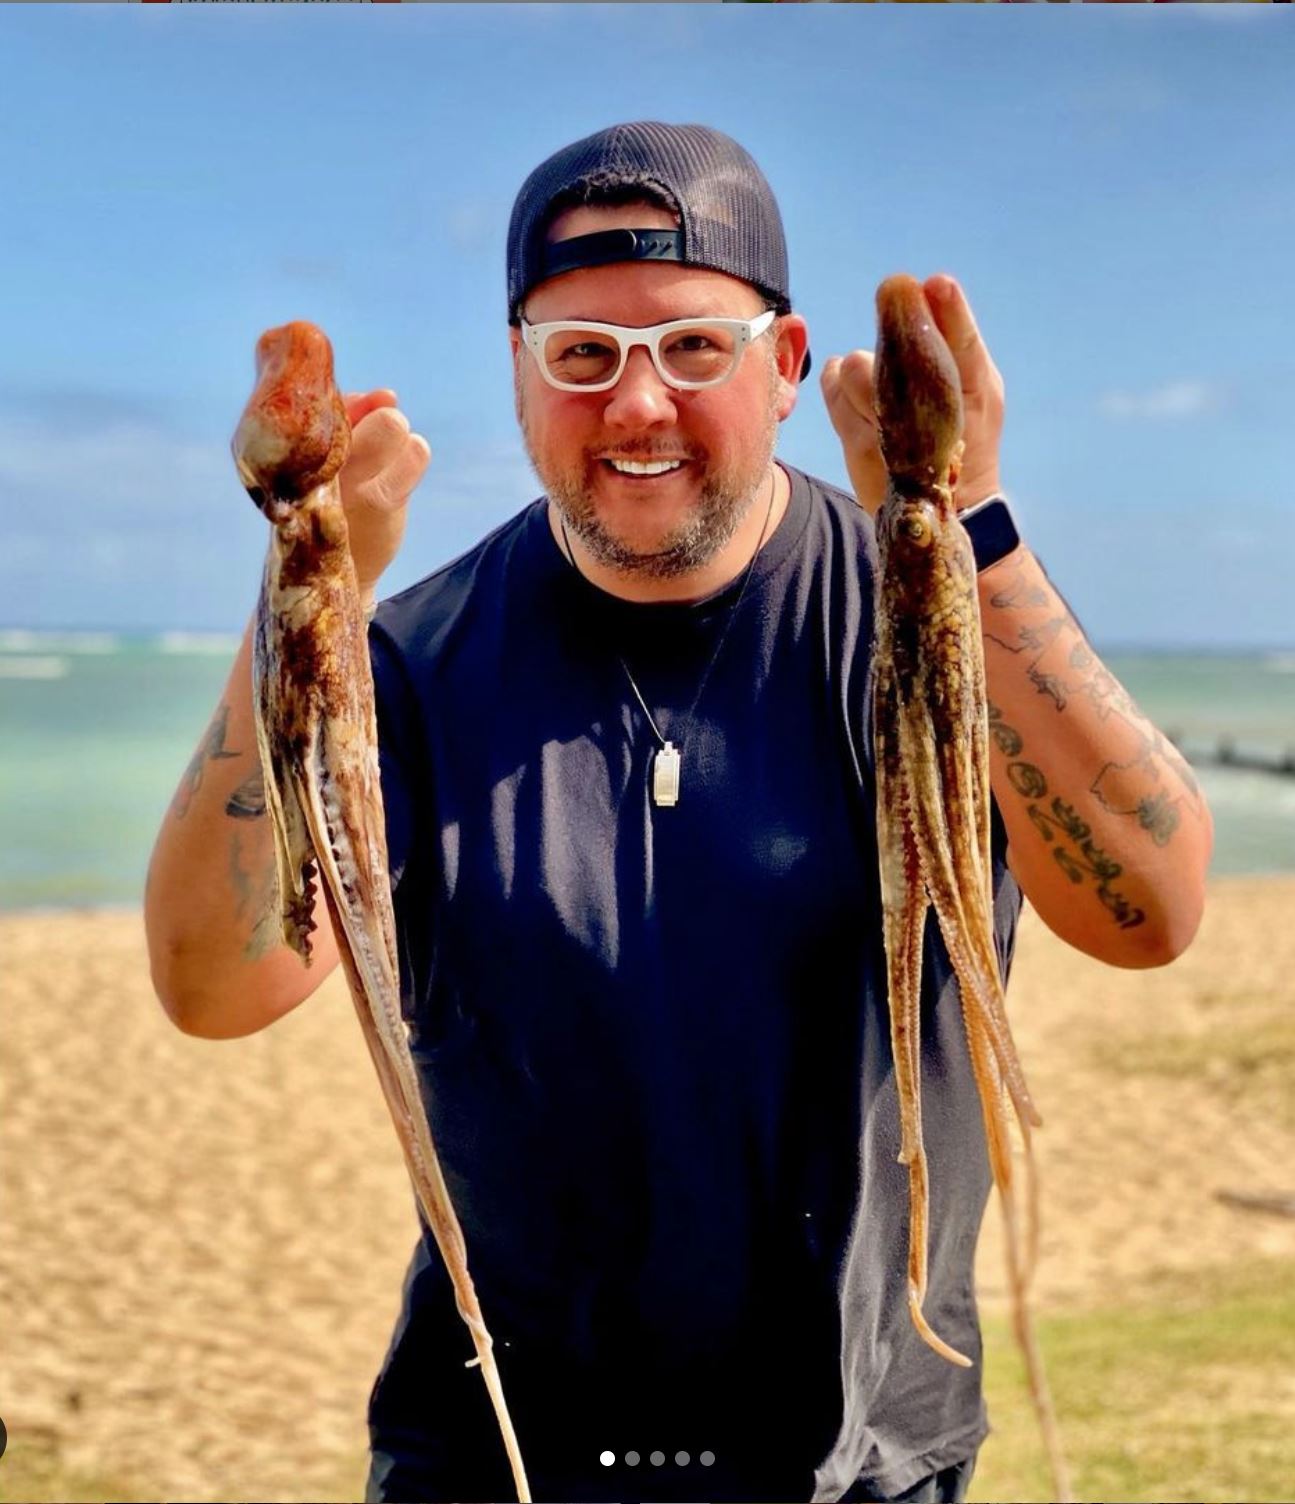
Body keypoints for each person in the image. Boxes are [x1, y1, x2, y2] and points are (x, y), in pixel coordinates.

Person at [146, 122, 1212, 1504]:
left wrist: (970, 524)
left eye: (695, 347)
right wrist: (312, 590)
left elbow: (1150, 912)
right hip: (499, 1467)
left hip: (868, 1463)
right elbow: (216, 984)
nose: (637, 403)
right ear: (519, 376)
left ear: (787, 364)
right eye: (582, 353)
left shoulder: (920, 622)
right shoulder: (406, 660)